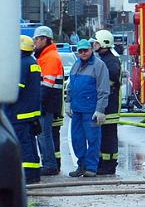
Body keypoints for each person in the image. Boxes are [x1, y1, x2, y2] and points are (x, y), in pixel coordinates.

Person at [66, 39, 109, 178]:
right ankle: (82, 165)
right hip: (77, 110)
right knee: (77, 139)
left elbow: (103, 89)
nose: (83, 53)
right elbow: (71, 86)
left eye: (86, 50)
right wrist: (68, 103)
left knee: (93, 139)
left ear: (91, 50)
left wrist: (100, 109)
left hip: (91, 110)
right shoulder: (76, 65)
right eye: (81, 51)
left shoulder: (99, 65)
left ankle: (91, 167)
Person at [4, 36, 42, 184]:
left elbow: (15, 90)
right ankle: (34, 173)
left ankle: (27, 175)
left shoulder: (21, 64)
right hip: (30, 112)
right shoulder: (33, 62)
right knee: (31, 144)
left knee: (23, 144)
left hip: (19, 113)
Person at [33, 26, 63, 176]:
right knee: (44, 135)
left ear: (44, 39)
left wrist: (37, 102)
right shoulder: (46, 56)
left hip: (45, 103)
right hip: (46, 102)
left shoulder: (50, 57)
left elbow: (47, 84)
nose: (34, 43)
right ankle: (49, 164)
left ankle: (50, 165)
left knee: (44, 135)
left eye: (36, 39)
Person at [93, 30, 121, 175]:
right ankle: (104, 164)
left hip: (110, 105)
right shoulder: (104, 59)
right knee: (104, 135)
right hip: (106, 103)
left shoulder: (110, 61)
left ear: (103, 43)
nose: (94, 45)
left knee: (108, 136)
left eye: (96, 42)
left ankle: (109, 165)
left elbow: (112, 79)